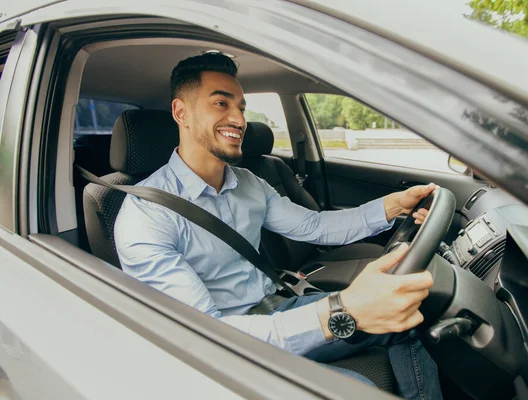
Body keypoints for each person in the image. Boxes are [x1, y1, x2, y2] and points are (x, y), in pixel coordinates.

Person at [114, 52, 442, 399]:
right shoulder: (146, 215)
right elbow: (209, 335)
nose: (238, 119)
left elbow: (316, 227)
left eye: (240, 107)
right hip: (230, 347)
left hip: (277, 307)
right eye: (221, 103)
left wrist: (392, 206)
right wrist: (338, 311)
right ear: (181, 112)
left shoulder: (249, 184)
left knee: (405, 317)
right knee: (358, 392)